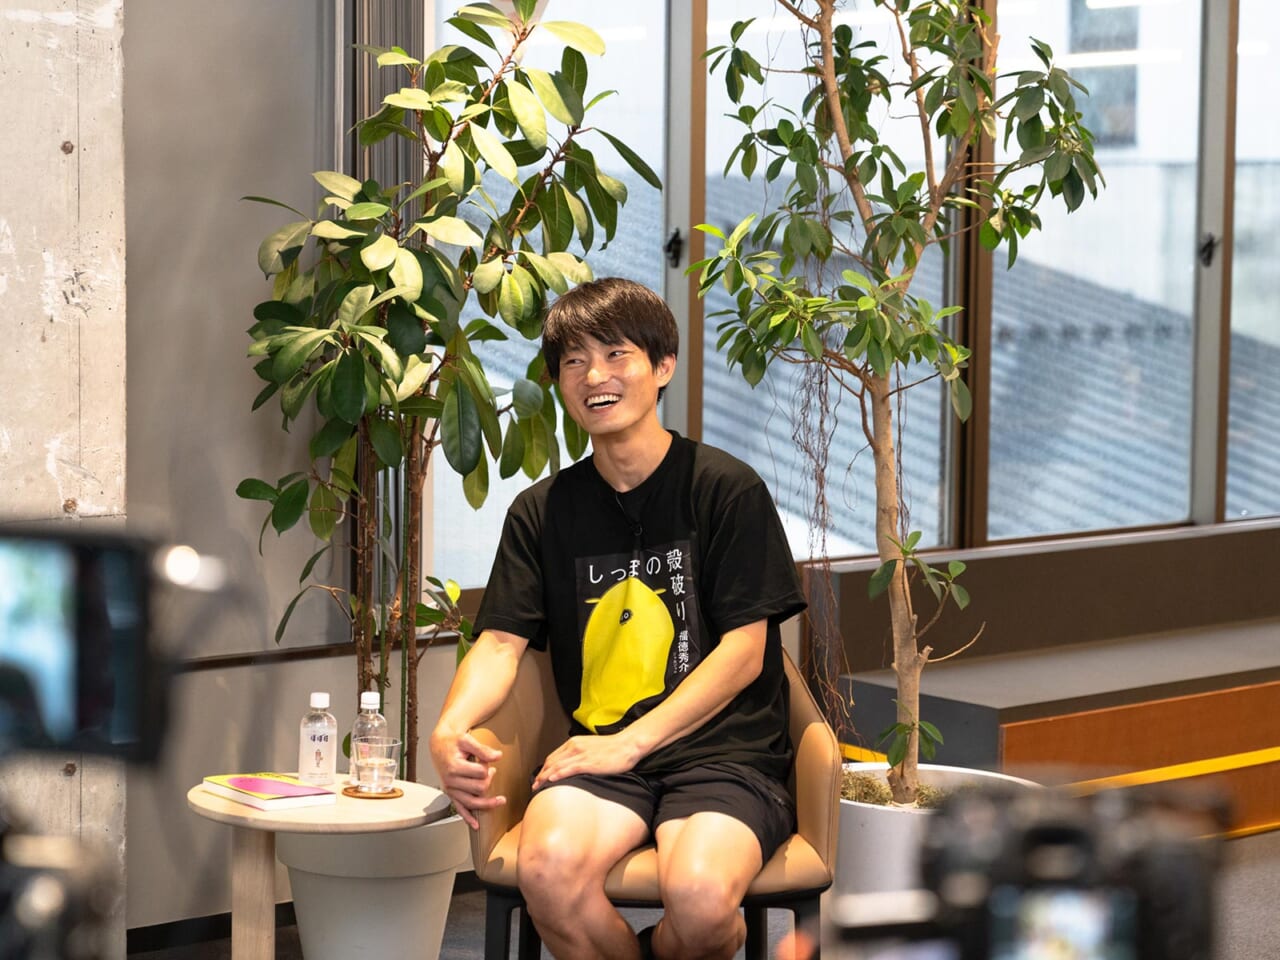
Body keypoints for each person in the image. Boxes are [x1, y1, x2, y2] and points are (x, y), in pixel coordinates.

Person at [430, 277, 806, 960]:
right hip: (598, 756)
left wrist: (631, 743)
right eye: (574, 361)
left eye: (615, 354)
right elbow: (501, 642)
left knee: (700, 900)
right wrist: (450, 726)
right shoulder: (541, 512)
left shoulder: (726, 489)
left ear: (662, 366)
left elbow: (744, 652)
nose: (594, 376)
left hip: (725, 755)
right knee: (548, 875)